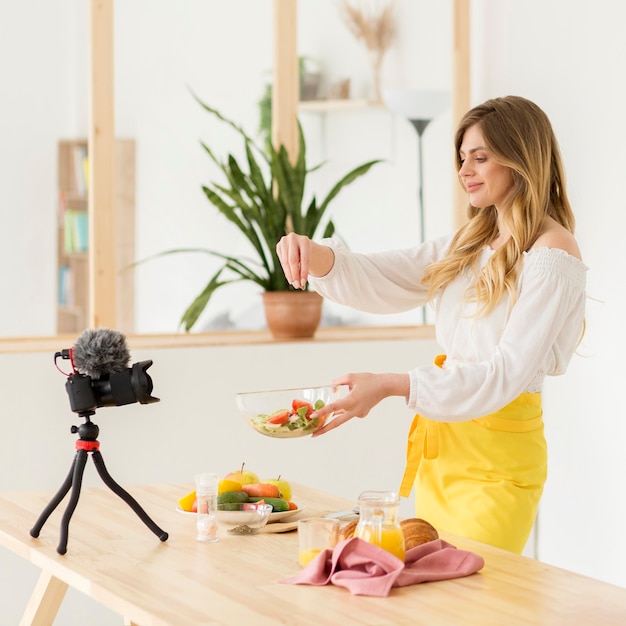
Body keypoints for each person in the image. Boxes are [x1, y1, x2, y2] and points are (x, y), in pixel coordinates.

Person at [276, 95, 587, 554]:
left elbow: (504, 375)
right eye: (462, 157)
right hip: (444, 452)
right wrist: (315, 256)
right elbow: (381, 276)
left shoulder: (552, 253)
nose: (465, 171)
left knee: (480, 602)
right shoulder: (469, 242)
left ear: (522, 159)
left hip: (498, 463)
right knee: (434, 600)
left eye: (480, 157)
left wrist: (389, 384)